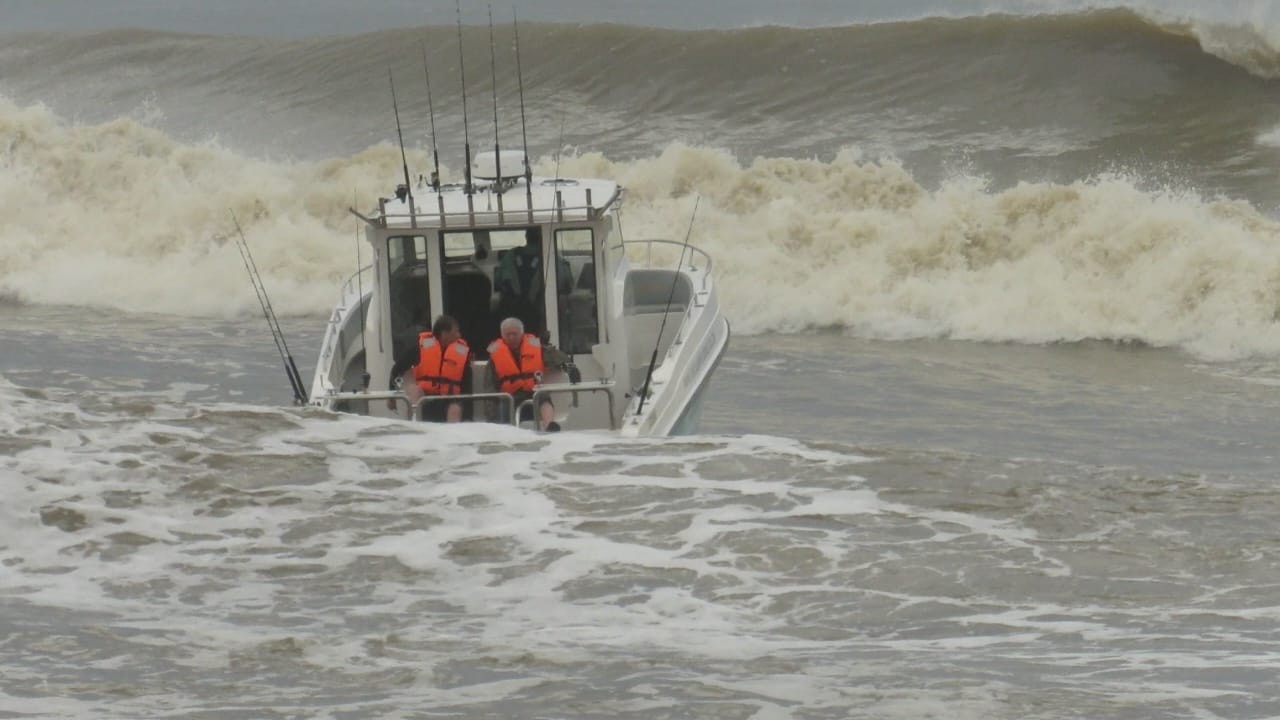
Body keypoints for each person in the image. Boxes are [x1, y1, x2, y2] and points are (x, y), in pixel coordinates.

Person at [486, 316, 569, 432]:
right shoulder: (495, 353)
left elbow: (559, 358)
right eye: (507, 334)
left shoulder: (537, 346)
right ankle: (503, 435)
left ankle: (550, 425)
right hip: (510, 395)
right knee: (502, 405)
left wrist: (570, 367)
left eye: (514, 334)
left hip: (533, 390)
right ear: (502, 335)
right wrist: (490, 409)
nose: (511, 337)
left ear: (522, 333)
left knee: (543, 396)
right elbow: (490, 384)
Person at [388, 314, 473, 422]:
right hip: (426, 399)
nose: (459, 335)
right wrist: (392, 395)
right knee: (415, 390)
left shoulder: (461, 352)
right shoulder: (421, 348)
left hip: (450, 402)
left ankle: (453, 437)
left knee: (455, 408)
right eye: (456, 332)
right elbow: (397, 369)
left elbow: (467, 386)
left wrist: (468, 417)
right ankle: (415, 425)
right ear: (445, 334)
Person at [493, 227, 572, 333]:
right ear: (542, 238)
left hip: (513, 312)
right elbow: (567, 284)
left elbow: (498, 282)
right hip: (542, 312)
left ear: (526, 237)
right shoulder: (553, 256)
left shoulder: (510, 255)